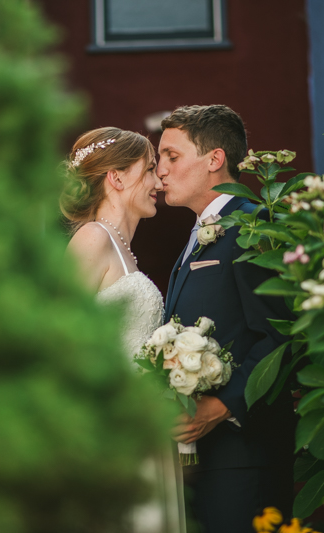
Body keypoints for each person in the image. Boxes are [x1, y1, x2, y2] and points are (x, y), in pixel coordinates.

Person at [157, 105, 295, 533]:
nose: (159, 170)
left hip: (246, 458)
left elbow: (283, 334)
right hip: (209, 460)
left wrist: (219, 406)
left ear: (215, 159)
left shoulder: (254, 225)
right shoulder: (200, 232)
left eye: (171, 156)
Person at [61, 127, 186, 533]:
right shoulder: (92, 239)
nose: (158, 180)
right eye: (149, 169)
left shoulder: (122, 249)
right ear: (115, 178)